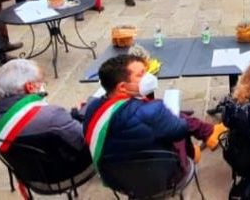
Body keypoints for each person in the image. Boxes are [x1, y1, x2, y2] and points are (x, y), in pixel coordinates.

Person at [84, 55, 225, 188]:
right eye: (140, 75)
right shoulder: (152, 110)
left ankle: (208, 133)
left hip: (118, 181)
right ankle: (201, 144)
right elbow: (181, 128)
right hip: (164, 178)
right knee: (179, 122)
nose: (147, 77)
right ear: (122, 87)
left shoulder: (92, 109)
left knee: (167, 120)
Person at [0, 59, 92, 184]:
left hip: (27, 176)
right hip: (66, 171)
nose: (43, 85)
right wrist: (87, 114)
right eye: (41, 82)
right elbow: (83, 140)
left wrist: (70, 116)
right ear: (30, 87)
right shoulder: (53, 115)